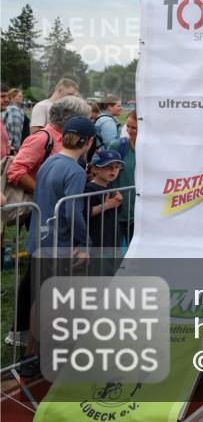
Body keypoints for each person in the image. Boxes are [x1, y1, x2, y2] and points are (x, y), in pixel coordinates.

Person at [19, 116, 97, 377]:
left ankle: (33, 355)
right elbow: (73, 212)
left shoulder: (50, 162)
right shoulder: (74, 171)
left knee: (41, 299)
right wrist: (85, 242)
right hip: (58, 243)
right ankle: (40, 356)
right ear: (89, 142)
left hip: (39, 239)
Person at [7, 96, 91, 194]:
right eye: (84, 120)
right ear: (70, 119)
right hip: (39, 202)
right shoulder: (42, 138)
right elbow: (15, 171)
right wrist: (43, 193)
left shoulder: (65, 137)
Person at [85, 150, 124, 269]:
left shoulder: (110, 186)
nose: (113, 170)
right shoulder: (89, 188)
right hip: (98, 242)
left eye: (117, 167)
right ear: (95, 169)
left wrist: (119, 201)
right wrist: (106, 205)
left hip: (112, 240)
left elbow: (116, 211)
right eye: (108, 166)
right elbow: (85, 213)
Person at [110, 110, 137, 246]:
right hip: (118, 211)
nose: (129, 131)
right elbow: (101, 173)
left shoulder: (152, 150)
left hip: (140, 215)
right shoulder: (118, 146)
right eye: (128, 126)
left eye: (134, 128)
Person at [2, 85, 28, 153]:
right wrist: (15, 148)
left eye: (21, 96)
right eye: (19, 96)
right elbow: (14, 130)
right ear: (12, 97)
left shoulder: (11, 109)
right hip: (14, 148)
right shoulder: (14, 109)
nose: (21, 98)